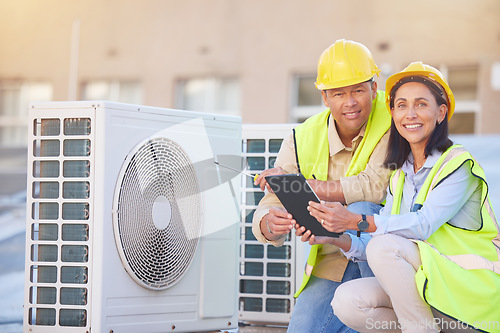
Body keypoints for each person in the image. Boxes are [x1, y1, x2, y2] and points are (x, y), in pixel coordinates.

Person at [306, 62, 500, 332]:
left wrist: (354, 220)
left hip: (470, 294)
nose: (410, 114)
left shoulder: (458, 164)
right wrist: (335, 237)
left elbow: (423, 225)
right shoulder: (400, 176)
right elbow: (377, 241)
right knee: (348, 301)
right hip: (432, 290)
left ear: (441, 112)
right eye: (401, 105)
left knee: (383, 246)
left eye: (421, 104)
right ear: (393, 114)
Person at [251, 39, 392, 332]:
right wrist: (268, 224)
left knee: (362, 207)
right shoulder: (301, 138)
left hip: (382, 255)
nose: (350, 102)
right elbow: (270, 203)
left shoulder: (394, 121)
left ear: (374, 89)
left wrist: (304, 186)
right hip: (330, 255)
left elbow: (374, 186)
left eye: (358, 90)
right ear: (325, 99)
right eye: (339, 93)